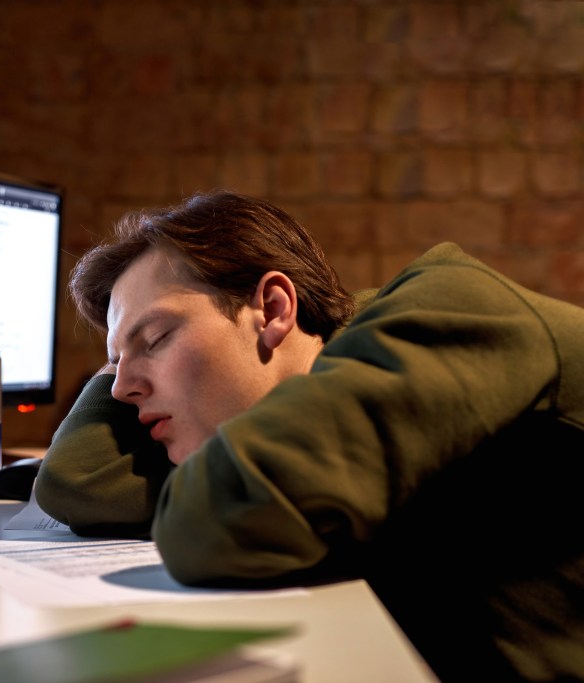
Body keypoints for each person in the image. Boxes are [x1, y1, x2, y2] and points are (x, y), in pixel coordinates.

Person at [34, 190, 584, 682]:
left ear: (272, 309)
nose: (122, 388)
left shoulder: (457, 308)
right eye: (114, 365)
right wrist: (125, 356)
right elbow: (80, 483)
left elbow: (208, 524)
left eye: (155, 338)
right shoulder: (284, 412)